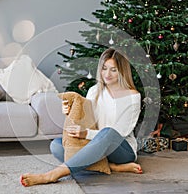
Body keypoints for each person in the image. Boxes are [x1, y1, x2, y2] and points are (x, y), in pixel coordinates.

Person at [20, 48, 142, 187]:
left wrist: (85, 133)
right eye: (104, 68)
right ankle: (111, 167)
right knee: (57, 145)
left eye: (113, 70)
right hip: (95, 144)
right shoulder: (94, 91)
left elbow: (120, 132)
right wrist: (70, 111)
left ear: (122, 71)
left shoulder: (132, 97)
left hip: (121, 150)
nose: (107, 74)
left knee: (108, 132)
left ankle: (54, 174)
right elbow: (86, 118)